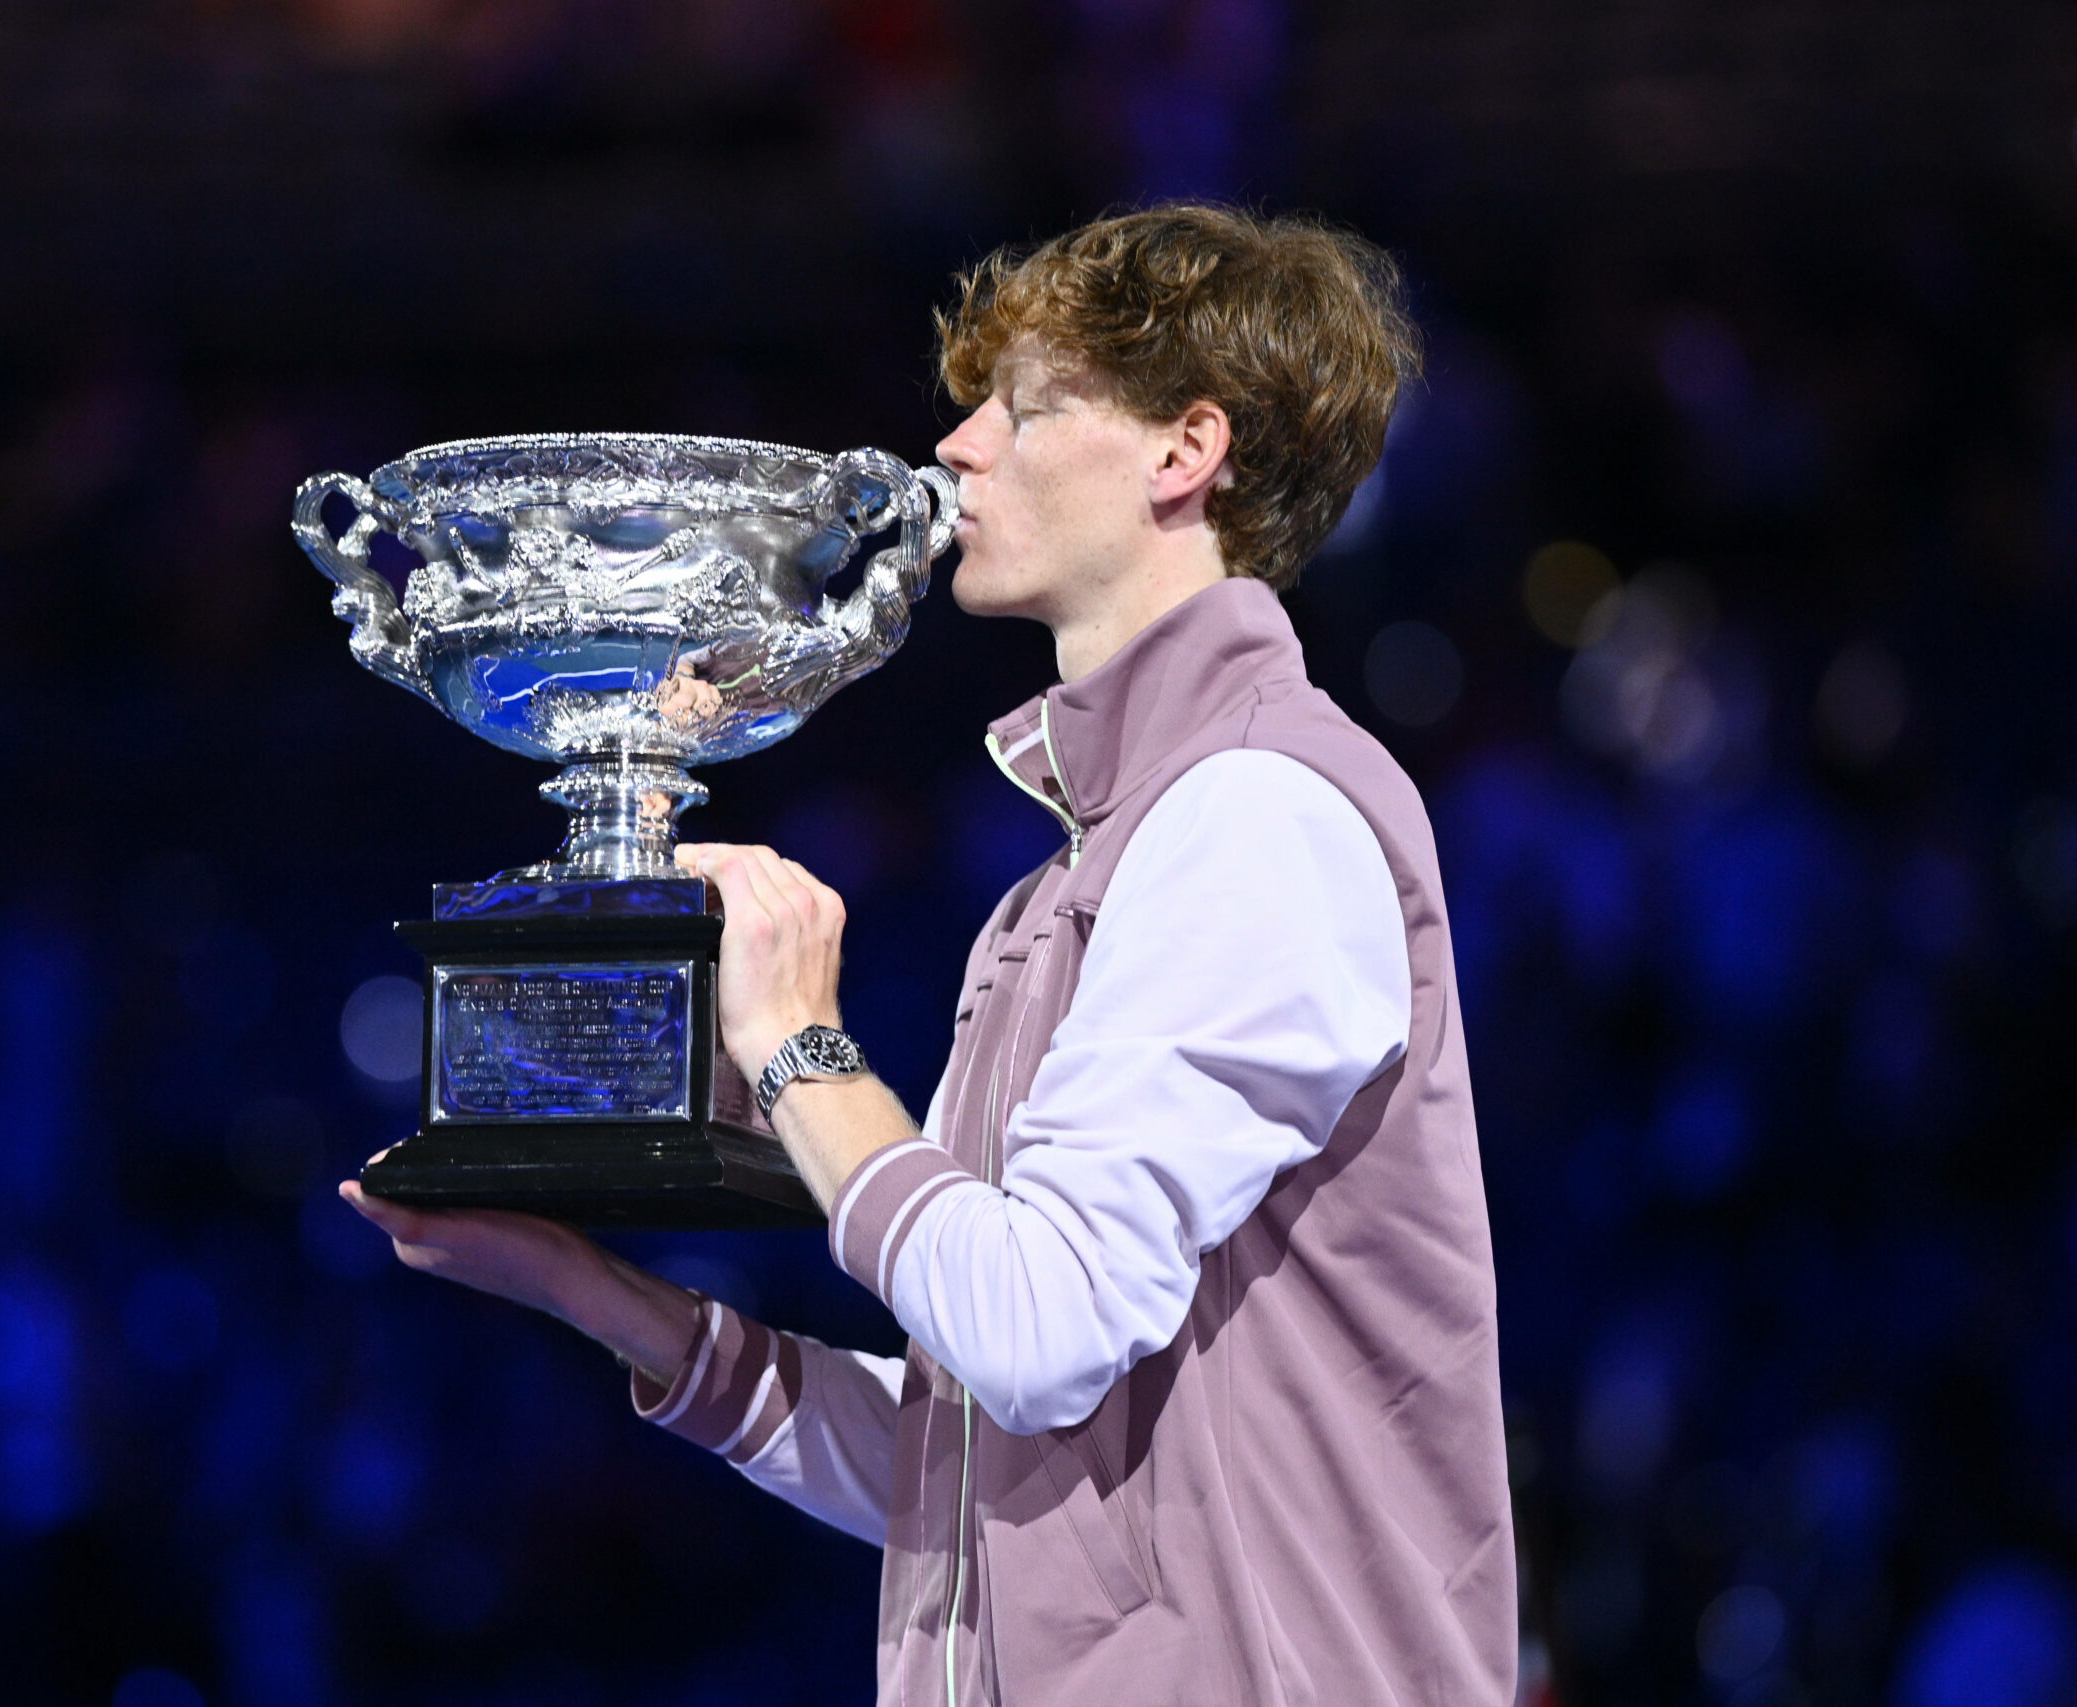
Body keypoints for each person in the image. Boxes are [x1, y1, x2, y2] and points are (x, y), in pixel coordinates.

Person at [344, 202, 1517, 1706]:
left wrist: (799, 1046)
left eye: (1025, 411)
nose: (956, 449)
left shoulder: (1257, 814)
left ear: (1185, 452)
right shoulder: (1077, 879)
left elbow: (1033, 1335)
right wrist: (603, 1298)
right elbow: (992, 1460)